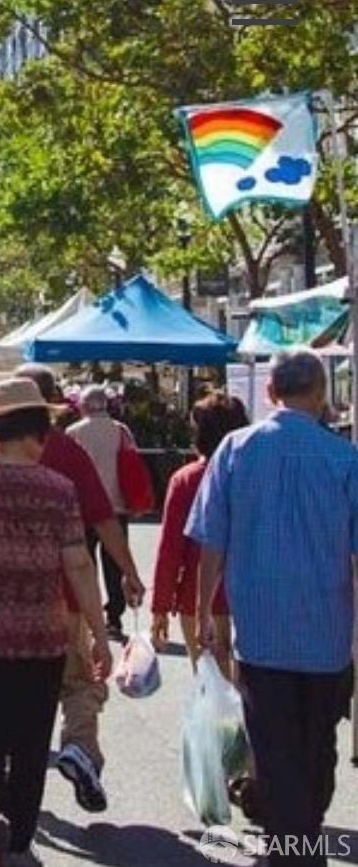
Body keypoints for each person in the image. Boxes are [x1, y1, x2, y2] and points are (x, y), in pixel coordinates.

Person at [188, 349, 358, 864]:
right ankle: (300, 836)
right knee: (318, 743)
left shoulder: (235, 450)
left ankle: (295, 843)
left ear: (269, 392)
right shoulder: (344, 459)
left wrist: (201, 612)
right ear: (322, 395)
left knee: (274, 744)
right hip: (327, 632)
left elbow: (211, 539)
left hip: (260, 631)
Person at [0, 378, 111, 867]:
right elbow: (78, 565)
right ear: (37, 430)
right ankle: (17, 839)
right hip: (44, 634)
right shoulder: (58, 489)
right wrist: (98, 635)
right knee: (32, 740)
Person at [0, 365, 144, 814]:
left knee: (13, 693)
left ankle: (6, 783)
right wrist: (127, 570)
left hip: (0, 602)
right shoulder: (66, 452)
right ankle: (79, 747)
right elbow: (102, 518)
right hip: (65, 597)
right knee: (81, 681)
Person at [151, 391, 244, 675]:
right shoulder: (253, 474)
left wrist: (161, 605)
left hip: (197, 595)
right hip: (249, 594)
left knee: (210, 686)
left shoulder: (187, 479)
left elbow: (171, 548)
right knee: (248, 687)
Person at [65, 385, 140, 639]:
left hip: (82, 508)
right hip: (116, 506)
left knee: (86, 564)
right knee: (115, 565)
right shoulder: (122, 431)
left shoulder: (73, 433)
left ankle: (90, 613)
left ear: (83, 406)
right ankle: (115, 618)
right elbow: (132, 466)